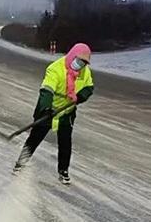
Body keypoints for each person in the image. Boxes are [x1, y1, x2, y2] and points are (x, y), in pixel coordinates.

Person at [13, 43, 94, 184]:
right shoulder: (56, 68)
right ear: (72, 55)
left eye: (84, 63)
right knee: (34, 139)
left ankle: (63, 171)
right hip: (49, 108)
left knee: (65, 142)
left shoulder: (84, 72)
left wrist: (81, 96)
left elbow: (89, 87)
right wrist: (46, 109)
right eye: (78, 60)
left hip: (66, 112)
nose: (80, 65)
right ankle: (20, 164)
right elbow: (47, 90)